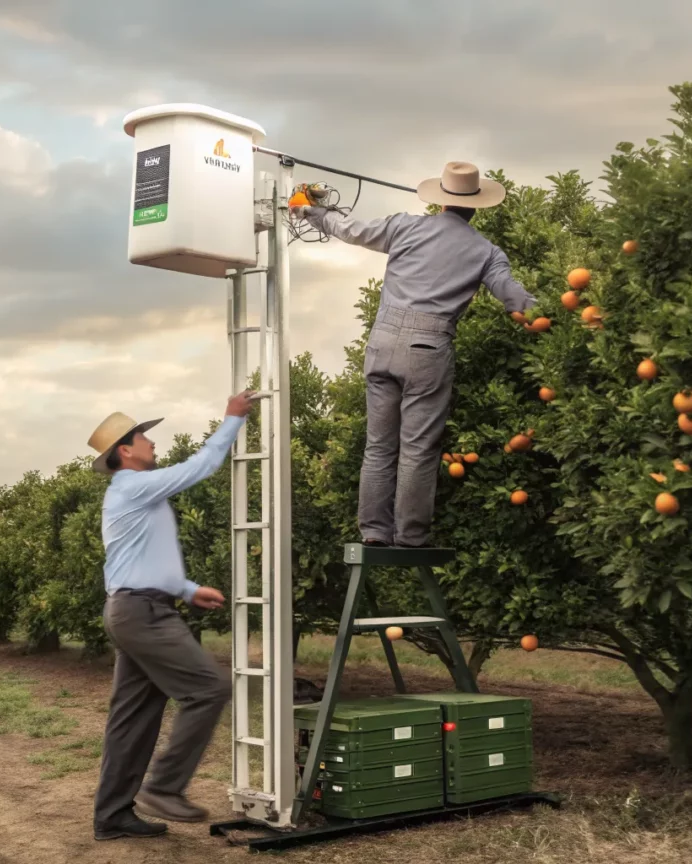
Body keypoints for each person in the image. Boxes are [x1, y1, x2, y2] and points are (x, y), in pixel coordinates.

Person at [291, 161, 537, 548]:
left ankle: (373, 531)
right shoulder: (487, 252)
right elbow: (513, 296)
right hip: (428, 348)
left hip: (382, 342)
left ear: (440, 202)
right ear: (476, 206)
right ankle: (410, 536)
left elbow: (351, 229)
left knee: (379, 445)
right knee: (418, 449)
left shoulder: (406, 226)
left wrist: (312, 212)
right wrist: (539, 313)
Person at [84, 388, 259, 841]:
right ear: (126, 449)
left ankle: (114, 816)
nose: (152, 443)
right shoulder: (134, 486)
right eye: (144, 436)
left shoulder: (138, 494)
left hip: (136, 607)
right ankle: (163, 787)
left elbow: (142, 557)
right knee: (209, 688)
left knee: (134, 717)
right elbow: (201, 466)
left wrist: (187, 589)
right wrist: (232, 419)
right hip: (141, 614)